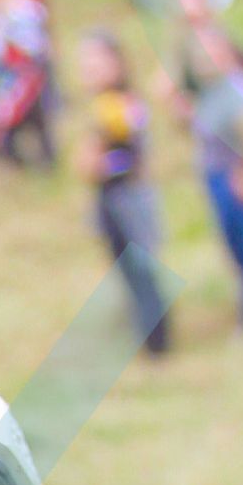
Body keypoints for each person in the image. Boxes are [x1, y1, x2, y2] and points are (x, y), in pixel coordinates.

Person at [176, 0, 243, 333]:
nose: (203, 58)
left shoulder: (236, 90)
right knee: (241, 253)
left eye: (210, 51)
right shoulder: (211, 90)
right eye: (198, 53)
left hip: (239, 183)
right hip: (220, 179)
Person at [75, 30, 171, 357]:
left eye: (96, 61)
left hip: (130, 201)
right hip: (111, 200)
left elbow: (111, 159)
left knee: (142, 272)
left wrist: (98, 158)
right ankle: (147, 337)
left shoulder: (122, 105)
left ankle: (157, 344)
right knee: (128, 270)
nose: (89, 69)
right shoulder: (102, 105)